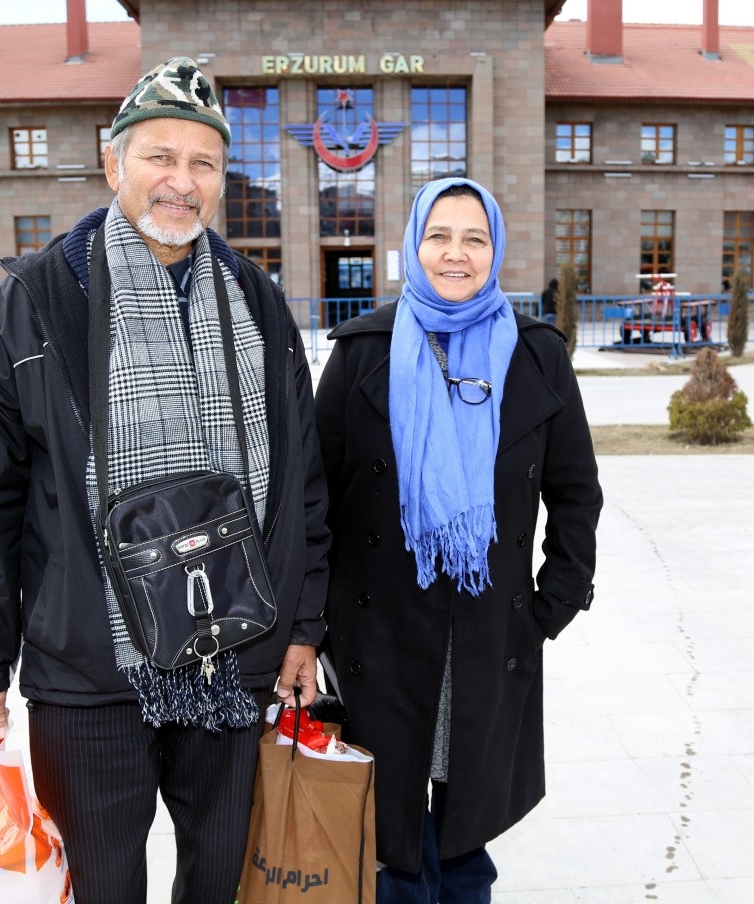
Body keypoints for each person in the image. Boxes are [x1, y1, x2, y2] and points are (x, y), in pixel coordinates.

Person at [0, 57, 330, 904]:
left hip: (235, 658)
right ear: (113, 163)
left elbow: (304, 483)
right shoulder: (34, 303)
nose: (180, 183)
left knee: (221, 881)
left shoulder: (259, 304)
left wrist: (303, 627)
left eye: (203, 164)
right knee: (103, 887)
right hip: (90, 671)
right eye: (160, 157)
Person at [314, 177, 602, 903]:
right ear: (413, 244)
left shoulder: (536, 355)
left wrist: (552, 605)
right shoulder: (361, 353)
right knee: (394, 844)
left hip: (485, 638)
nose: (456, 253)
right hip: (380, 641)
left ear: (495, 249)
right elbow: (314, 499)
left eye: (474, 238)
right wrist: (308, 628)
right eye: (439, 235)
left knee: (465, 841)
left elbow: (576, 492)